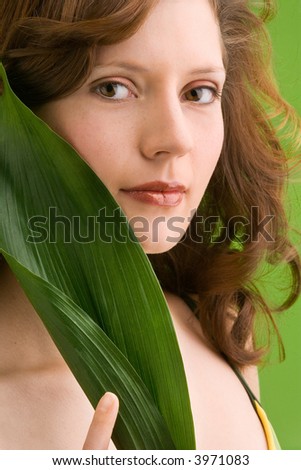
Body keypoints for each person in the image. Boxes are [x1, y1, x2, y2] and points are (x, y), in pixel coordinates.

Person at [0, 0, 300, 450]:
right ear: (15, 107)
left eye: (199, 92)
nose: (175, 139)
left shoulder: (218, 333)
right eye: (113, 89)